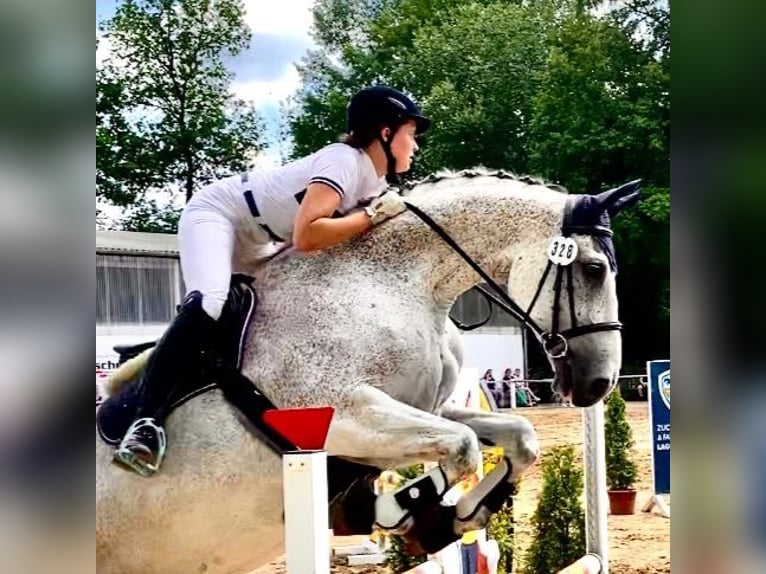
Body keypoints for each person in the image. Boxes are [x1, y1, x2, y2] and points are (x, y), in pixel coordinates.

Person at [114, 86, 431, 477]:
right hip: (221, 214)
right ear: (385, 132)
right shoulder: (343, 160)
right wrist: (370, 218)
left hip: (263, 239)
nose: (415, 145)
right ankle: (143, 423)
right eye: (411, 133)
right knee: (213, 300)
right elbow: (309, 234)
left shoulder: (376, 185)